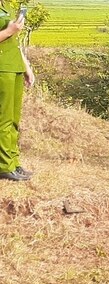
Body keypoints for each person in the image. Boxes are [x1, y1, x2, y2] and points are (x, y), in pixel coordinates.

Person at [0, 4, 34, 182]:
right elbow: (7, 34)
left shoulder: (3, 6)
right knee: (3, 119)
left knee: (14, 119)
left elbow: (14, 41)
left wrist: (26, 67)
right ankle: (4, 166)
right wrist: (9, 30)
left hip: (14, 66)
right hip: (2, 69)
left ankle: (13, 162)